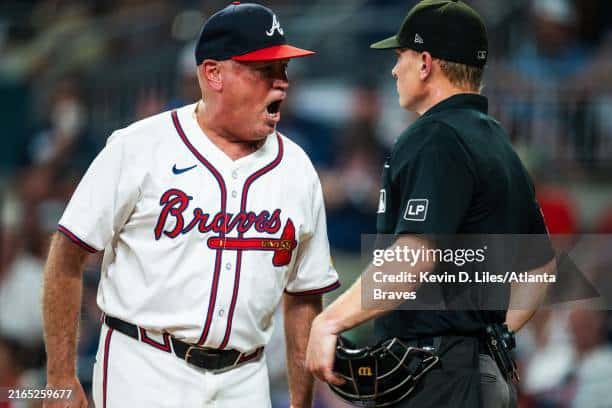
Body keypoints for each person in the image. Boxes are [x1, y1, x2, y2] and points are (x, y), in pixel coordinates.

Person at [42, 3, 339, 407]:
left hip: (245, 378)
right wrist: (60, 376)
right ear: (213, 74)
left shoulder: (298, 169)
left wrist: (300, 403)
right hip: (145, 365)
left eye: (283, 70)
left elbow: (304, 296)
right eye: (264, 71)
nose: (281, 83)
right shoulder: (138, 147)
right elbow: (66, 256)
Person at [306, 1, 556, 407]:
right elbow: (540, 265)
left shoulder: (434, 136)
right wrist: (493, 336)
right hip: (480, 372)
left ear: (425, 63)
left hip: (434, 377)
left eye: (400, 56)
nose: (393, 69)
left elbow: (414, 257)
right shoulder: (498, 143)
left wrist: (330, 320)